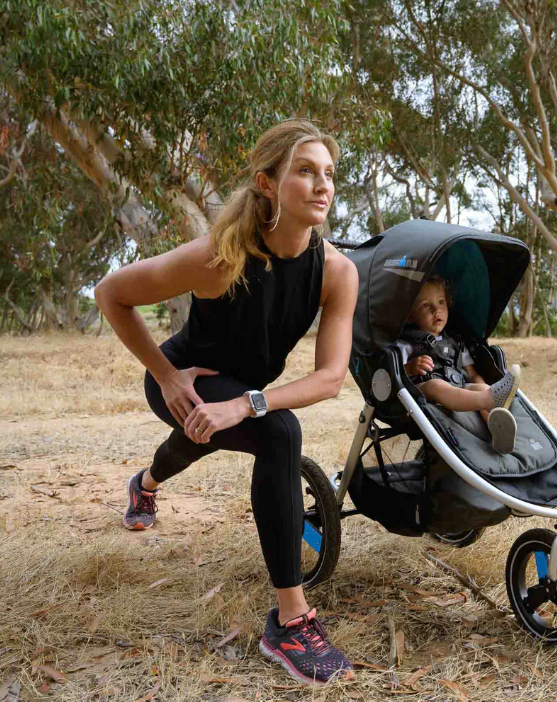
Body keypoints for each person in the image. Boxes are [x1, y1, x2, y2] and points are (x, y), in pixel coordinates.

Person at [94, 119, 358, 686]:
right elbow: (111, 294)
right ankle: (290, 621)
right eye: (305, 171)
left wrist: (245, 404)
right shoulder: (220, 255)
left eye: (329, 173)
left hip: (241, 394)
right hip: (188, 382)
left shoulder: (336, 271)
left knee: (209, 438)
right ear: (267, 184)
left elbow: (331, 378)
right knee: (278, 434)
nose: (323, 185)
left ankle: (144, 484)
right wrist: (165, 376)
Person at [399, 276, 522, 454]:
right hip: (422, 391)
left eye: (441, 302)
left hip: (456, 386)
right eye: (426, 305)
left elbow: (471, 374)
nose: (436, 310)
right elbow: (394, 373)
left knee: (480, 387)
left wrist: (485, 388)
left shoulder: (455, 342)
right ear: (410, 315)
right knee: (436, 385)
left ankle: (497, 428)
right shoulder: (406, 343)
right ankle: (488, 400)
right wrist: (410, 368)